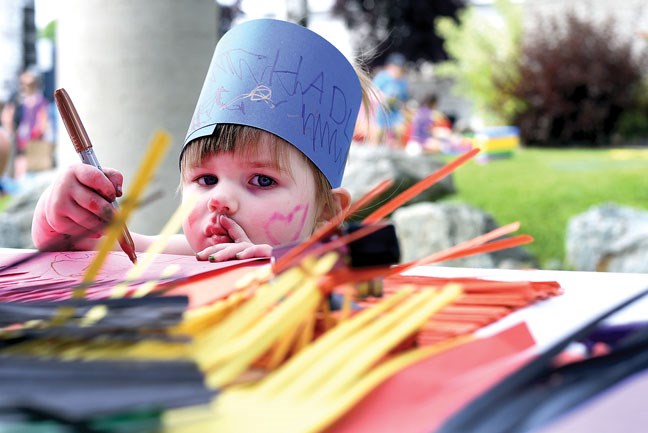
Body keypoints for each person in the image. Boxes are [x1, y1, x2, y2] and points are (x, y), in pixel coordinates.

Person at [31, 19, 373, 262]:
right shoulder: (178, 255)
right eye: (206, 179)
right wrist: (60, 214)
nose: (220, 199)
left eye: (263, 180)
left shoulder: (324, 271)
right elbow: (71, 247)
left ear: (326, 215)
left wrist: (286, 264)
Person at [371, 52, 409, 148]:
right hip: (381, 111)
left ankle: (396, 151)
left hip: (395, 112)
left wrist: (405, 109)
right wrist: (384, 97)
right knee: (378, 132)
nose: (398, 71)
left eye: (400, 69)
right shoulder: (382, 77)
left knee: (400, 130)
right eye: (397, 68)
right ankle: (374, 149)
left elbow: (404, 98)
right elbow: (372, 91)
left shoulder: (403, 82)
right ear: (390, 67)